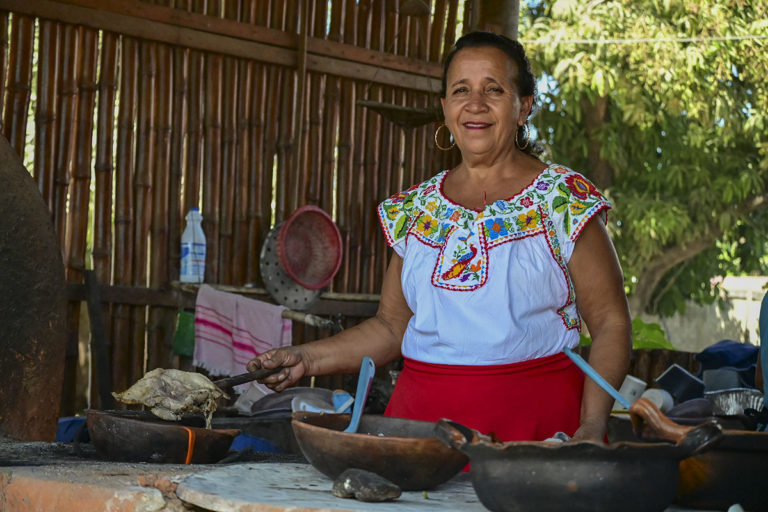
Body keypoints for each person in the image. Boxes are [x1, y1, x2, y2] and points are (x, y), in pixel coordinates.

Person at [248, 31, 632, 443]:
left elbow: (611, 322)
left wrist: (592, 424)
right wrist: (306, 358)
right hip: (419, 430)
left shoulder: (563, 199)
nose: (476, 104)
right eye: (461, 90)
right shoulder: (415, 210)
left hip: (535, 428)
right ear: (446, 108)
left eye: (494, 89)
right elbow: (391, 327)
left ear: (524, 107)